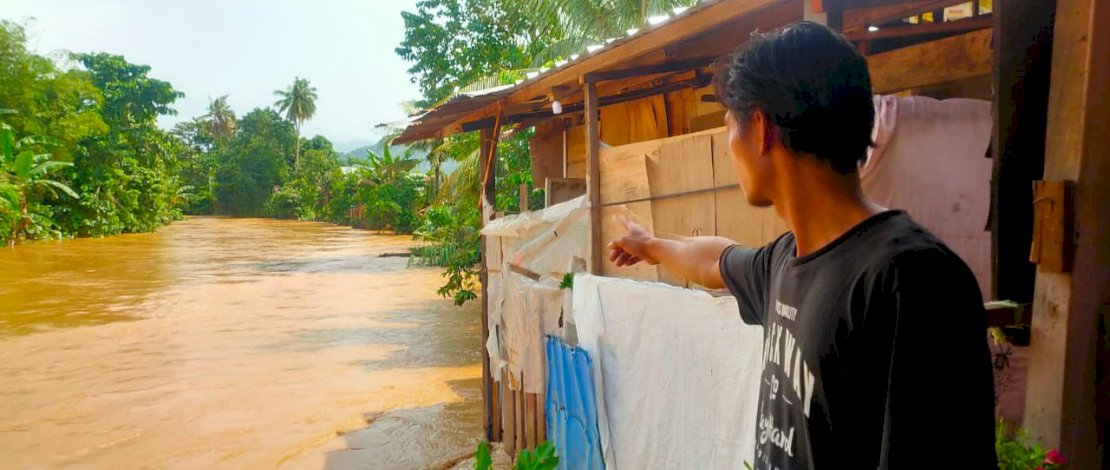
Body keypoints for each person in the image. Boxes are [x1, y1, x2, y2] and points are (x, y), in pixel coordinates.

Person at [608, 21, 997, 469]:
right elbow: (716, 260)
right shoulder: (786, 262)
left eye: (728, 125)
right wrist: (649, 245)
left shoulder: (913, 279)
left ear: (761, 128)